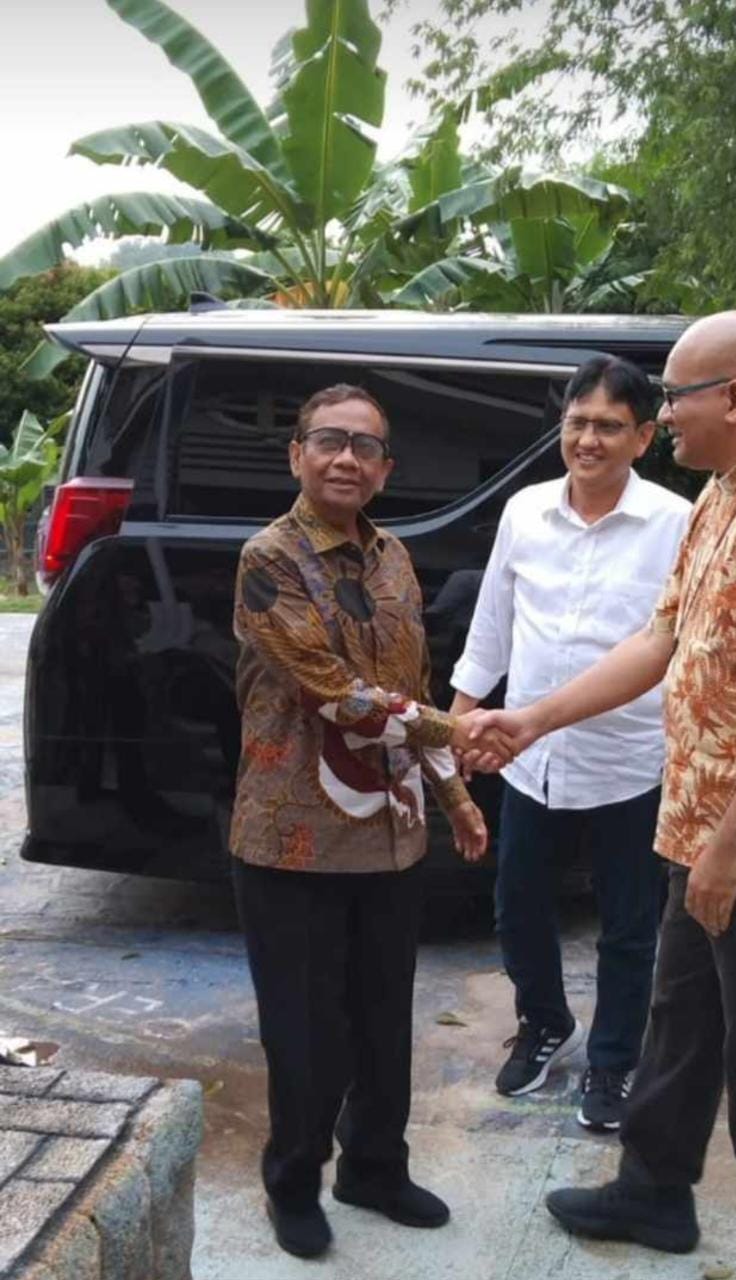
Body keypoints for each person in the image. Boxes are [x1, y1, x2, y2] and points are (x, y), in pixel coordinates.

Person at [470, 313, 736, 1280]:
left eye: (671, 398)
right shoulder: (724, 493)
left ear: (734, 397)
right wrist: (531, 719)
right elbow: (659, 642)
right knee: (681, 1009)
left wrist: (734, 844)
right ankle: (654, 1189)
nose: (665, 416)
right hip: (702, 815)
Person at [230, 384, 507, 1260]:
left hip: (390, 834)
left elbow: (407, 690)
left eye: (364, 447)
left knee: (384, 1018)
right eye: (329, 441)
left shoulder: (392, 559)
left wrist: (454, 796)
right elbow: (342, 699)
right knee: (305, 1030)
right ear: (297, 455)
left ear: (384, 470)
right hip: (291, 840)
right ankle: (294, 1181)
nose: (345, 458)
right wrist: (460, 733)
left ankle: (375, 1168)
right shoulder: (267, 559)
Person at [449, 355, 690, 1129]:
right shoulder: (524, 511)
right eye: (577, 423)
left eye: (608, 427)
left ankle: (615, 1063)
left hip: (629, 759)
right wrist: (457, 723)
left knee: (627, 926)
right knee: (517, 904)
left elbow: (675, 645)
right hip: (528, 759)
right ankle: (544, 1022)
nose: (588, 440)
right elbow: (492, 625)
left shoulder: (675, 523)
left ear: (643, 436)